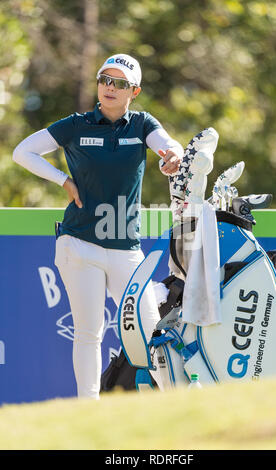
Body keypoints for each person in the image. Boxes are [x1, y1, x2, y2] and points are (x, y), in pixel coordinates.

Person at [13, 53, 184, 399]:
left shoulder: (141, 124)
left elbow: (167, 144)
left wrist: (173, 156)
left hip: (126, 249)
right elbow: (23, 152)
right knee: (88, 333)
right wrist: (63, 180)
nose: (110, 87)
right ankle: (88, 413)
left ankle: (172, 404)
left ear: (133, 92)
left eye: (120, 83)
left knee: (150, 331)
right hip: (79, 245)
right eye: (105, 79)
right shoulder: (76, 124)